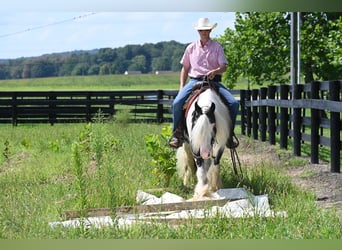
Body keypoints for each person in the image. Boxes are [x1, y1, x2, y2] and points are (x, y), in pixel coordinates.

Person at [169, 17, 239, 149]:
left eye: (206, 30)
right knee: (177, 103)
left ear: (210, 30)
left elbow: (224, 66)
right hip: (195, 80)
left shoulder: (217, 47)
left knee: (234, 103)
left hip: (213, 81)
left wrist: (216, 71)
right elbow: (185, 68)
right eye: (202, 30)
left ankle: (229, 135)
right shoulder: (191, 48)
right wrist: (181, 87)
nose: (204, 32)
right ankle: (177, 134)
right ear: (198, 31)